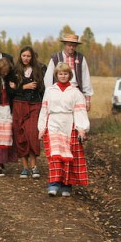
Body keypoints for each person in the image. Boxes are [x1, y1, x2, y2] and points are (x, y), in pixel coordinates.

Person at [38, 63, 90, 197]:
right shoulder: (50, 90)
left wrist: (81, 128)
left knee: (67, 156)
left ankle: (66, 185)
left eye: (65, 73)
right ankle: (54, 184)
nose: (63, 76)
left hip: (68, 123)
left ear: (69, 75)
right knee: (54, 156)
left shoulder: (75, 92)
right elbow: (44, 109)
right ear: (56, 75)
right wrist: (42, 127)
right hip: (53, 124)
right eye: (60, 73)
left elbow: (80, 111)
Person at [11, 46, 45, 178]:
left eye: (28, 56)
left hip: (34, 104)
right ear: (20, 56)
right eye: (23, 55)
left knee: (32, 134)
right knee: (20, 135)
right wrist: (24, 86)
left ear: (32, 57)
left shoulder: (40, 69)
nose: (25, 58)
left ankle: (34, 166)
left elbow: (43, 87)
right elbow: (10, 90)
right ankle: (24, 167)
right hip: (19, 104)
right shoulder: (14, 70)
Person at [44, 33, 93, 112]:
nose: (71, 47)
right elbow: (48, 79)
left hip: (76, 93)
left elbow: (86, 78)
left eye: (74, 45)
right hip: (58, 93)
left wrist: (88, 100)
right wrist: (49, 96)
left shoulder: (80, 58)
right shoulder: (56, 58)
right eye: (69, 45)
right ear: (65, 44)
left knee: (78, 118)